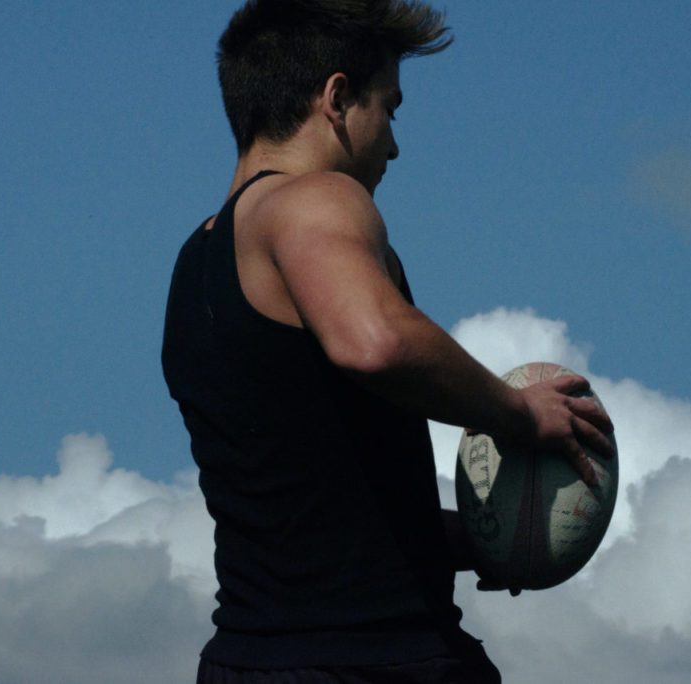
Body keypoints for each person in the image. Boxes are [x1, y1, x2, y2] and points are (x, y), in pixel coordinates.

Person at [162, 1, 615, 681]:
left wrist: (482, 538)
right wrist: (519, 413)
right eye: (391, 109)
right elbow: (374, 342)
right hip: (379, 661)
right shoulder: (314, 199)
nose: (395, 144)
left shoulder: (196, 264)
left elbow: (307, 512)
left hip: (244, 661)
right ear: (337, 99)